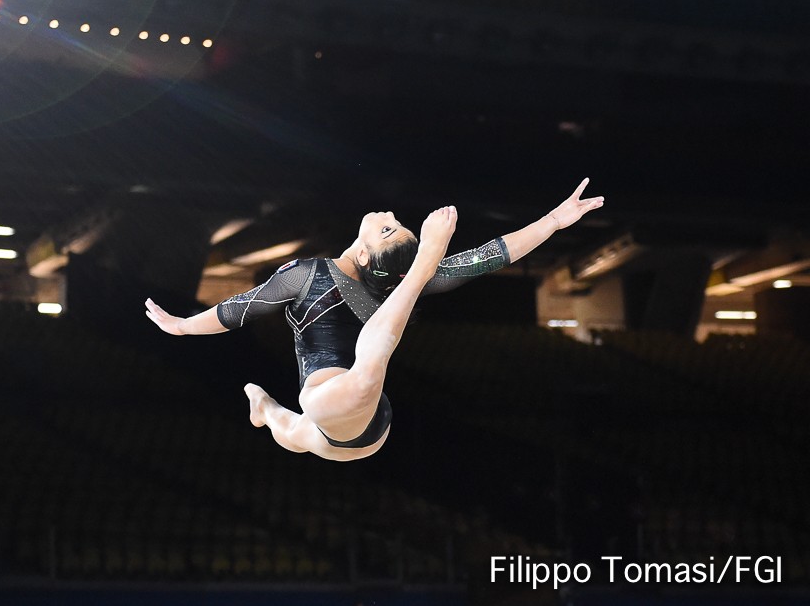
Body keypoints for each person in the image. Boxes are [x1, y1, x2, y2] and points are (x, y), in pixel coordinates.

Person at [145, 179, 604, 461]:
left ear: (364, 255)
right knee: (304, 430)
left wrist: (553, 221)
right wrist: (181, 326)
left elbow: (490, 256)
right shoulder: (323, 277)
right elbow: (239, 308)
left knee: (319, 417)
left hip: (338, 406)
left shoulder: (314, 275)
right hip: (363, 422)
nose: (389, 216)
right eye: (396, 225)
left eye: (388, 229)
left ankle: (270, 411)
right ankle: (266, 409)